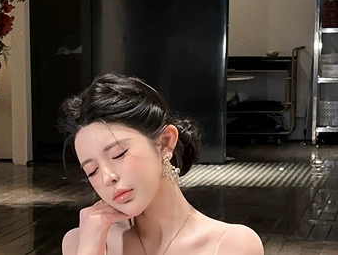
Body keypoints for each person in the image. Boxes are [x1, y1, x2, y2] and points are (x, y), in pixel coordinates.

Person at [59, 74, 264, 255]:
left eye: (119, 154)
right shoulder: (80, 241)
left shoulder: (231, 245)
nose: (107, 178)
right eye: (92, 171)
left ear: (165, 142)